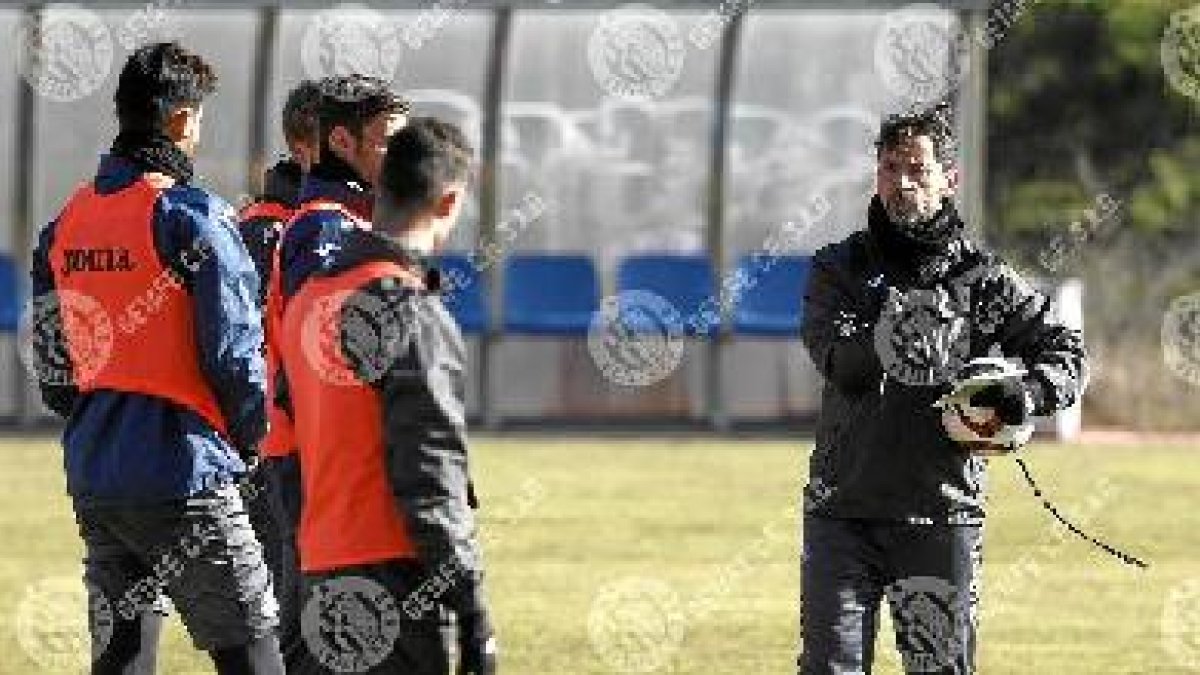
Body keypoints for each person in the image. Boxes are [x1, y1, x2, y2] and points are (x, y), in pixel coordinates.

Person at [798, 106, 1088, 675]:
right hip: (843, 513)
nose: (902, 183)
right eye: (890, 168)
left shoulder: (982, 279)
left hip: (942, 514)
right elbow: (841, 364)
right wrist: (899, 331)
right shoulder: (838, 268)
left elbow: (1068, 355)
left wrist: (1021, 398)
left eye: (917, 169)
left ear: (949, 179)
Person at [28, 42, 283, 674]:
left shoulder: (66, 224)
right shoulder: (191, 215)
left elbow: (55, 370)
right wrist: (250, 438)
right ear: (180, 118)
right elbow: (234, 354)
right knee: (252, 651)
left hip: (97, 473)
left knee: (122, 657)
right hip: (187, 470)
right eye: (198, 119)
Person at [277, 118, 496, 674]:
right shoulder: (405, 307)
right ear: (449, 202)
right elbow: (430, 467)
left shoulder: (308, 301)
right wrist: (472, 610)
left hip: (317, 572)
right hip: (395, 580)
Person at [235, 78, 322, 667]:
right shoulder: (271, 233)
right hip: (278, 445)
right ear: (306, 146)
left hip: (299, 442)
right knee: (292, 599)